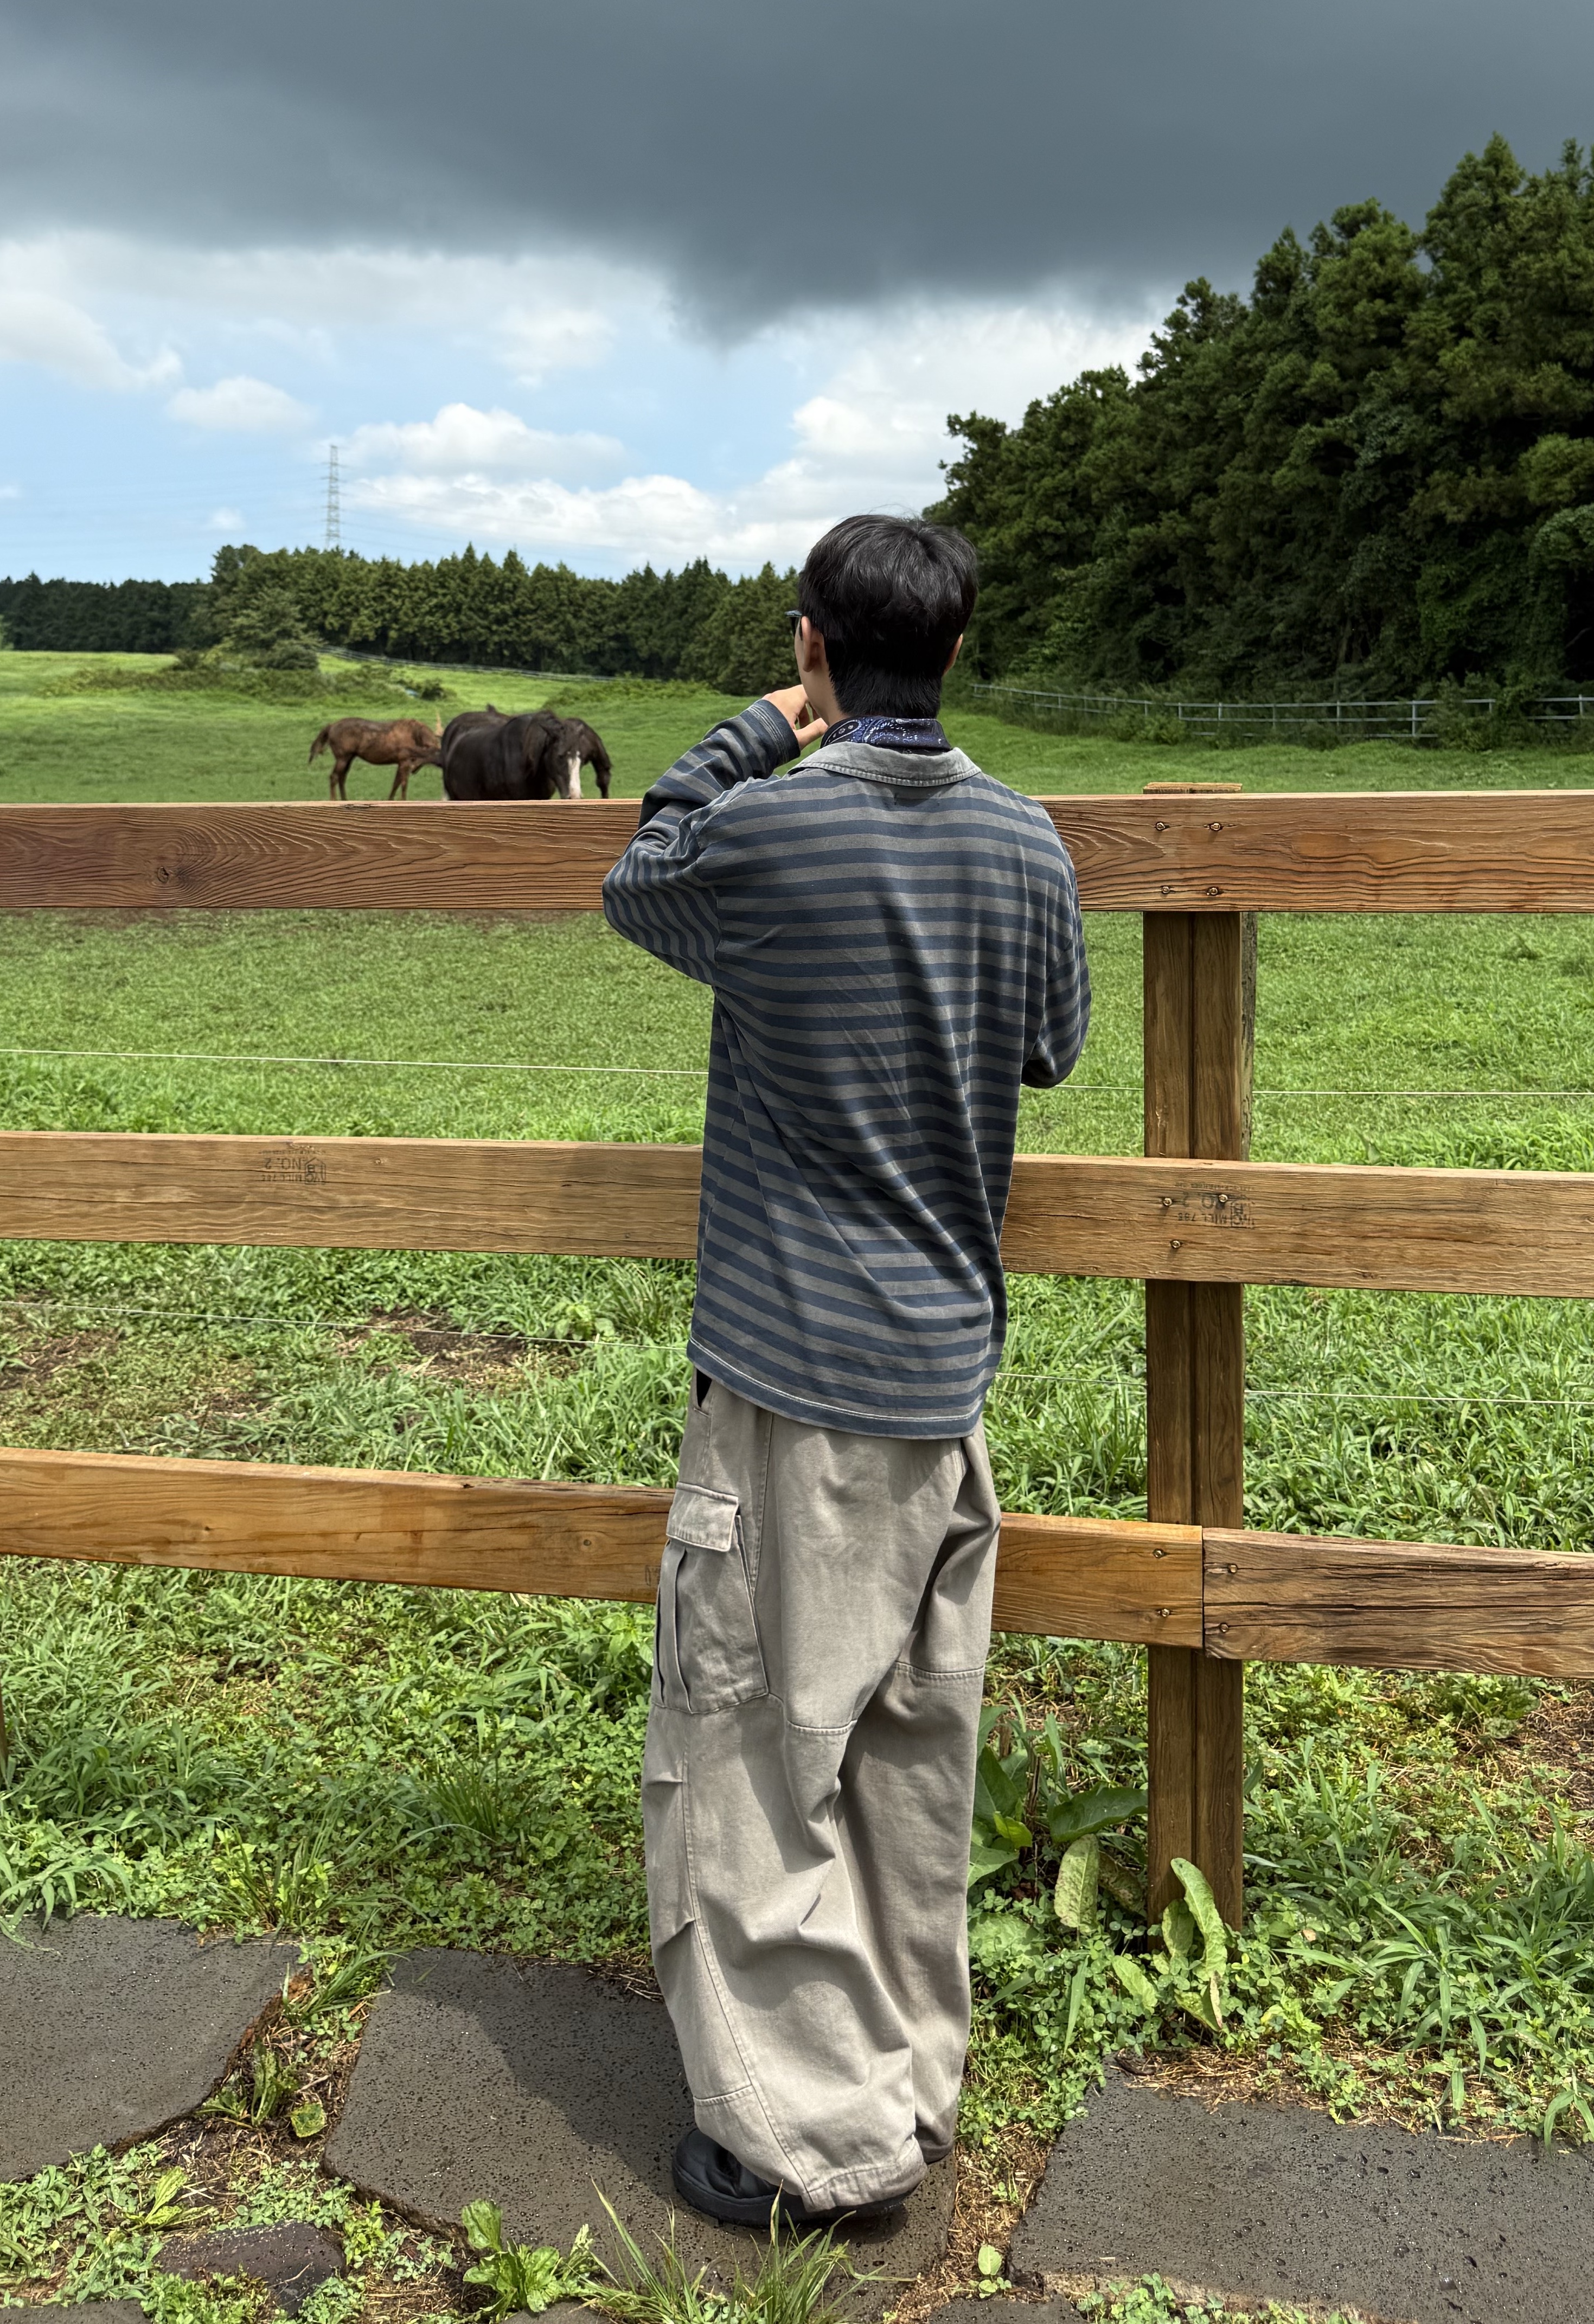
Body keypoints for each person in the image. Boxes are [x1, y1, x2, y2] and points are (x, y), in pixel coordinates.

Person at [601, 515, 1091, 2229]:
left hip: (792, 1368)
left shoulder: (765, 830)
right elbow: (1051, 1045)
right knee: (903, 1755)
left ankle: (805, 2152)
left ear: (812, 644)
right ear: (956, 651)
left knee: (753, 1753)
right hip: (943, 1370)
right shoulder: (1026, 839)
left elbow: (636, 874)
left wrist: (759, 730)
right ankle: (893, 2086)